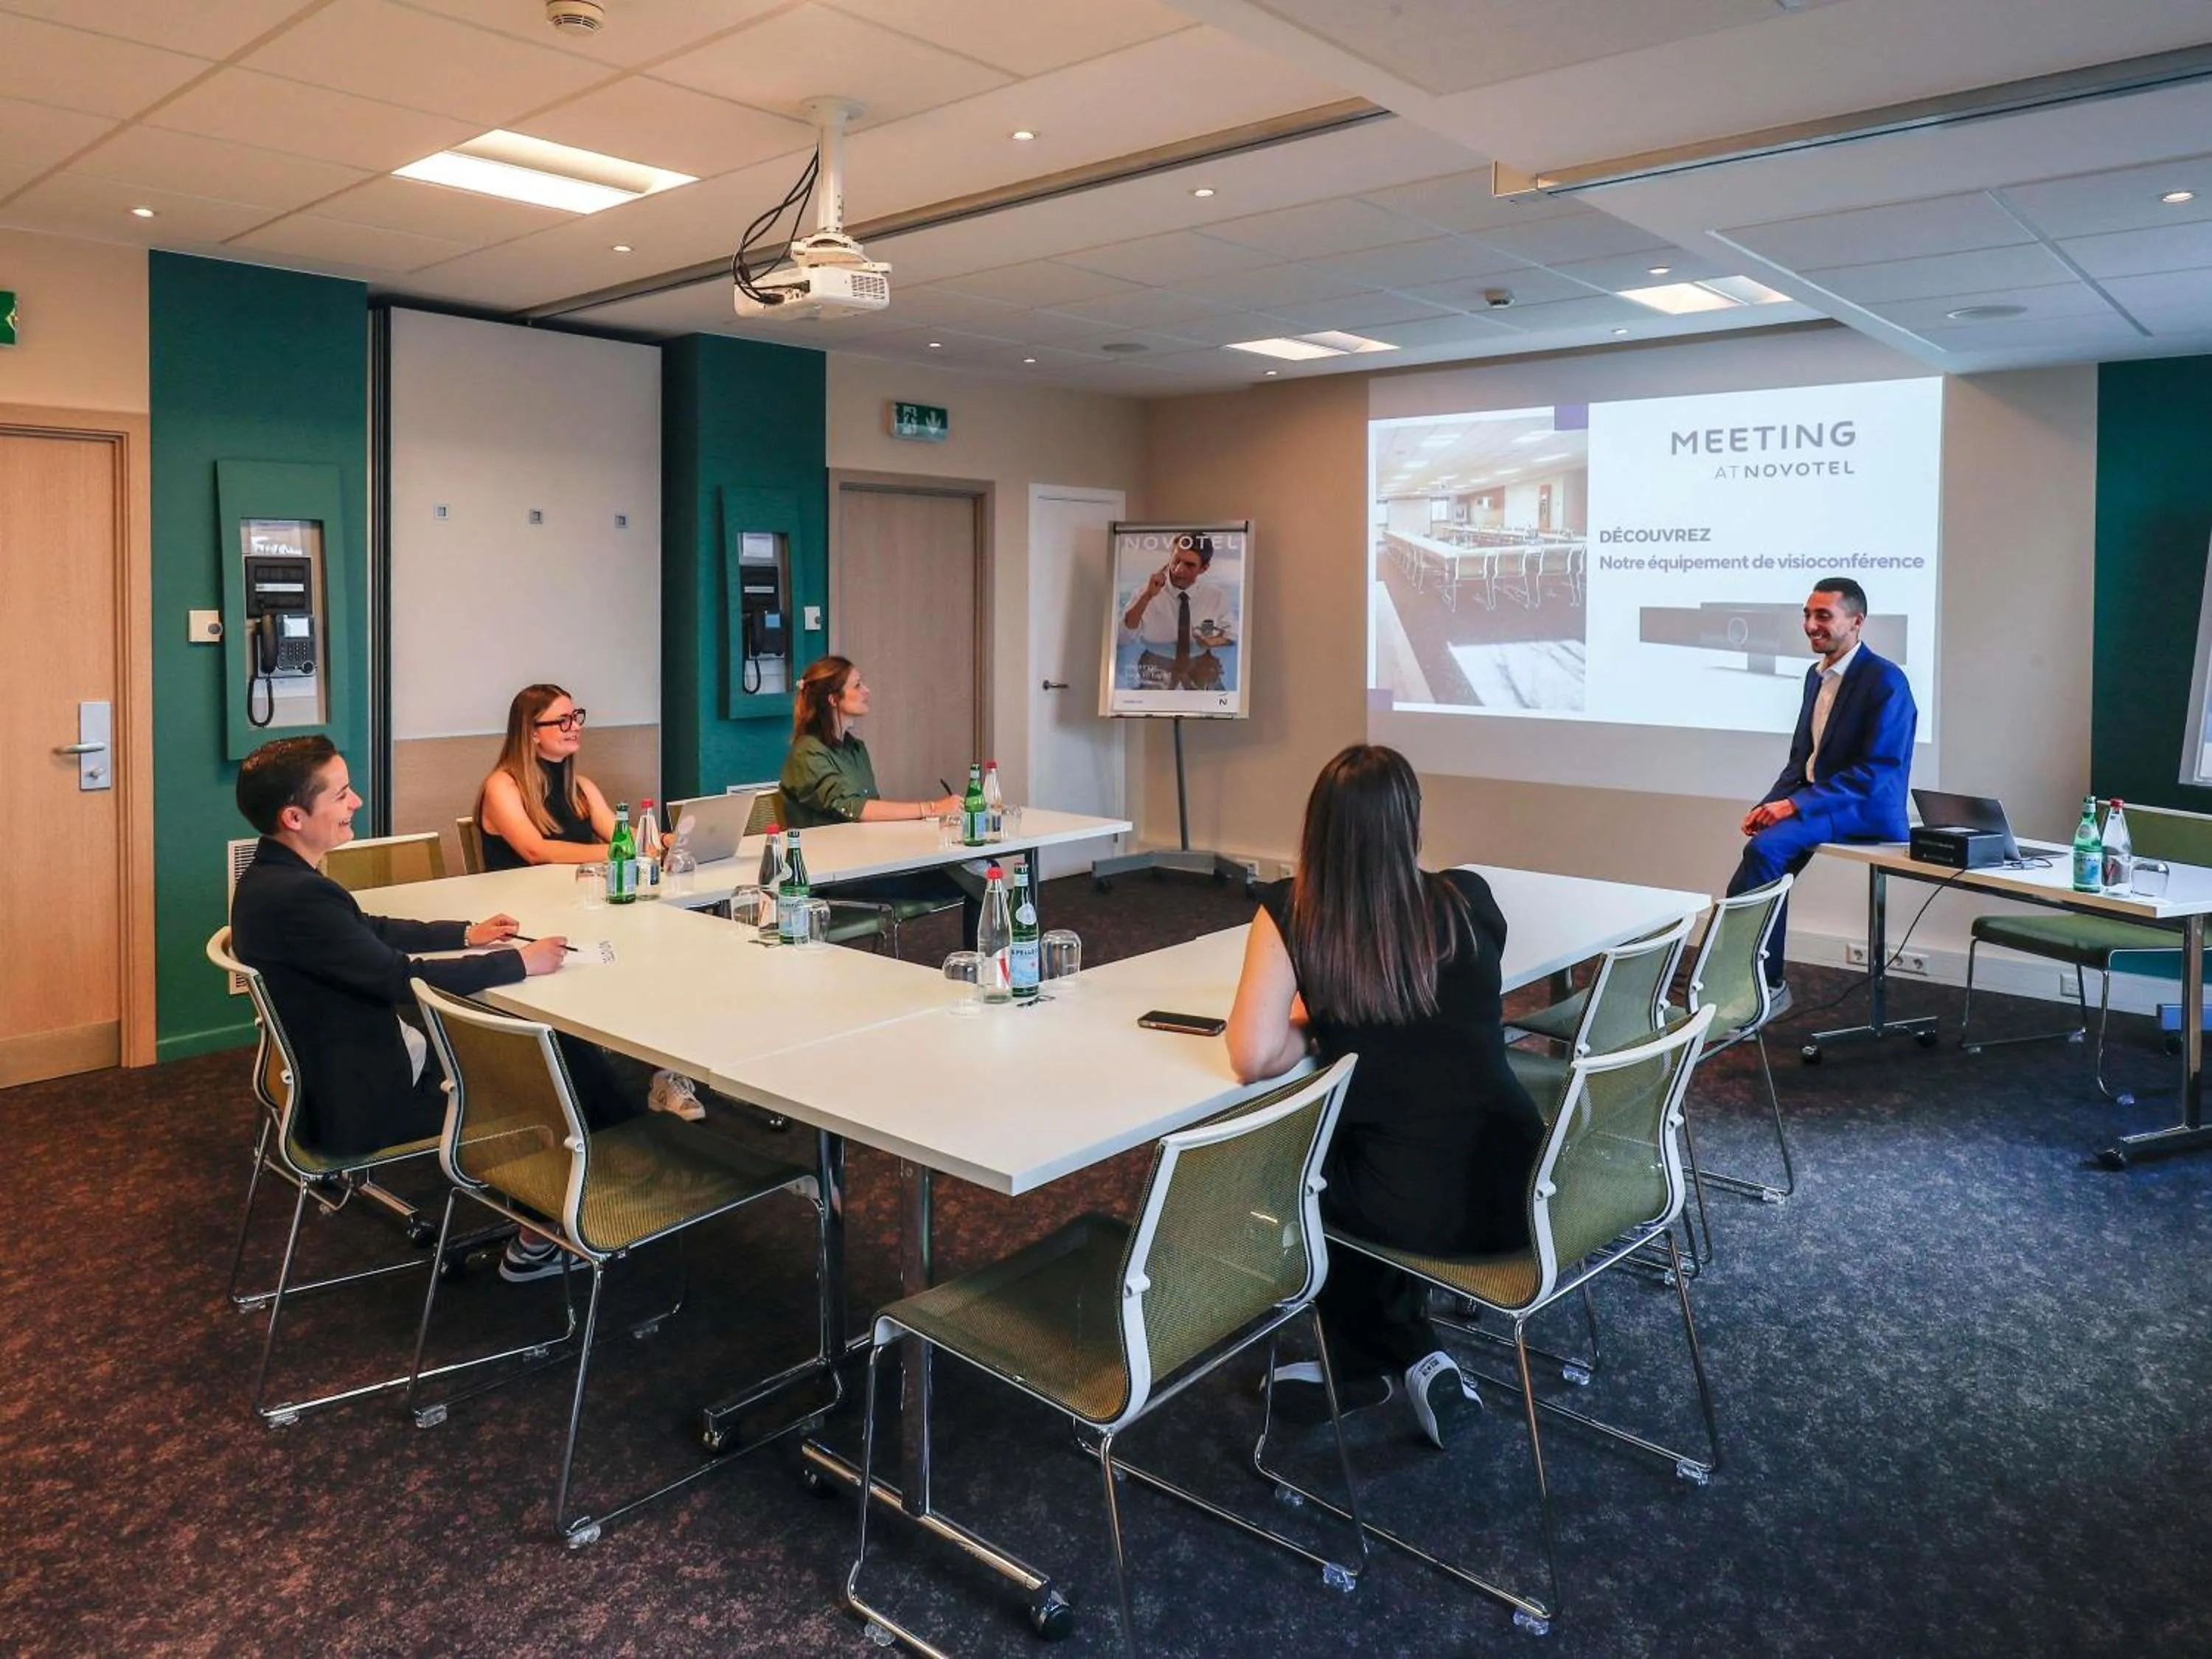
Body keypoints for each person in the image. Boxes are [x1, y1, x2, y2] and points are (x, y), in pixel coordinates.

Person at [232, 735, 641, 1283]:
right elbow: (400, 978)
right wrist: (519, 963)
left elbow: (368, 929)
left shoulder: (273, 879)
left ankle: (611, 1183)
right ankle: (556, 1232)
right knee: (551, 1069)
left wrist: (465, 933)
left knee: (556, 1052)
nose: (356, 802)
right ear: (294, 817)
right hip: (365, 1103)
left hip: (335, 1078)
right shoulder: (298, 896)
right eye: (342, 794)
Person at [1225, 744, 1543, 1449]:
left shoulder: (1295, 912)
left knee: (1297, 1175)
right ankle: (1391, 1358)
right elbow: (1449, 1004)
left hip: (1417, 1214)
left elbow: (1251, 1056)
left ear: (1317, 828)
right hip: (1525, 1188)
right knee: (1379, 1146)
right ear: (1412, 822)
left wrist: (1315, 1021)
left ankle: (1378, 1362)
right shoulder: (1469, 896)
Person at [1731, 579, 1917, 1001]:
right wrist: (1768, 806)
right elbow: (1802, 760)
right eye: (1807, 615)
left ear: (1856, 622)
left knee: (1765, 852)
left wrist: (1793, 806)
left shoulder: (1886, 680)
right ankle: (1745, 978)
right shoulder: (1815, 678)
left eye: (1823, 616)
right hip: (1822, 803)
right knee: (1762, 858)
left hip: (1863, 810)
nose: (1811, 625)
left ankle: (1762, 985)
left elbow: (1878, 770)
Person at [779, 655, 979, 947]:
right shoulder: (807, 753)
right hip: (839, 875)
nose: (867, 691)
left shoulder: (854, 749)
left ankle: (989, 966)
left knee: (982, 870)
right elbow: (857, 809)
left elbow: (873, 812)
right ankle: (987, 967)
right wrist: (932, 808)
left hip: (871, 861)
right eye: (857, 685)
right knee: (980, 880)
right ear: (833, 699)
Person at [476, 684, 623, 871]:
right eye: (564, 720)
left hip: (575, 887)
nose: (576, 727)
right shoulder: (502, 786)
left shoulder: (582, 787)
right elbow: (536, 852)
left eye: (575, 717)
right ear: (533, 732)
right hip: (520, 889)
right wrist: (620, 851)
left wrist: (655, 840)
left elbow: (620, 835)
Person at [1120, 532, 1236, 691]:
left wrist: (1213, 642)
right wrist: (1147, 596)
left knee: (1223, 700)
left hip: (1200, 668)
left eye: (1189, 565)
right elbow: (1123, 636)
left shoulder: (1216, 597)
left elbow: (1233, 636)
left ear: (1204, 568)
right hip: (1155, 667)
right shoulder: (1145, 593)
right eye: (1176, 561)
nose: (1179, 570)